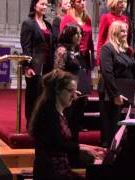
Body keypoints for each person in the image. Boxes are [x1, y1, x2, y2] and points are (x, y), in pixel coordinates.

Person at [28, 69, 106, 180]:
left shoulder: (58, 111)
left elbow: (63, 142)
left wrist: (91, 147)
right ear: (57, 90)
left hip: (60, 170)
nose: (74, 96)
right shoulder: (49, 112)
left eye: (75, 91)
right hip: (51, 173)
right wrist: (83, 149)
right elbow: (58, 144)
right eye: (70, 91)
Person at [54, 23, 91, 167]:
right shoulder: (62, 50)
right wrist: (70, 90)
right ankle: (67, 158)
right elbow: (58, 72)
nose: (80, 36)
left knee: (75, 126)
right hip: (67, 95)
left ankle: (74, 157)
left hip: (78, 94)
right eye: (77, 34)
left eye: (81, 34)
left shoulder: (76, 51)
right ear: (69, 35)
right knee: (67, 127)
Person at [98, 21, 135, 148]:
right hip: (110, 93)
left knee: (121, 128)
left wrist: (133, 94)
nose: (125, 33)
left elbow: (130, 71)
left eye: (126, 31)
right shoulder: (107, 48)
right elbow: (107, 72)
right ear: (114, 32)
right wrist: (115, 94)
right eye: (122, 31)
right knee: (111, 128)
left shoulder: (126, 50)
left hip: (124, 93)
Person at [20, 0, 55, 128]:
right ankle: (31, 124)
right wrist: (27, 66)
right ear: (35, 6)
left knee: (45, 95)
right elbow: (26, 46)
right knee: (33, 95)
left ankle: (42, 123)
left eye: (46, 4)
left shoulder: (48, 24)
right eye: (42, 4)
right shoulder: (28, 23)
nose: (45, 7)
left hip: (48, 65)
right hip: (35, 65)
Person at [60, 0, 94, 92]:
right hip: (72, 57)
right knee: (73, 89)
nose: (82, 3)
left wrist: (93, 60)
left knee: (84, 89)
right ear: (73, 3)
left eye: (84, 1)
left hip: (85, 58)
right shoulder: (67, 18)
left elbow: (90, 41)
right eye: (79, 1)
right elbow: (62, 40)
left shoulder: (87, 19)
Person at [96, 0, 130, 66]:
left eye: (125, 2)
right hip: (109, 52)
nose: (123, 4)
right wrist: (98, 61)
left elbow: (128, 39)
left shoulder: (126, 18)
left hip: (123, 53)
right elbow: (101, 40)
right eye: (120, 2)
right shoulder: (106, 17)